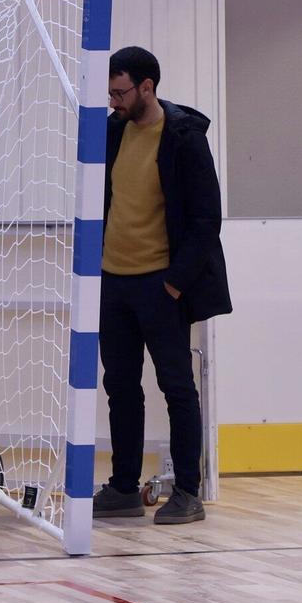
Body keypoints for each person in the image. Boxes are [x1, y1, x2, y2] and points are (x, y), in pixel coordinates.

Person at [94, 46, 231, 526]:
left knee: (176, 388)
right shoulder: (113, 132)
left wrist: (174, 285)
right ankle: (124, 487)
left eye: (120, 91)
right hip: (114, 282)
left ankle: (188, 492)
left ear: (147, 87)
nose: (113, 101)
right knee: (120, 388)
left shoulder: (184, 137)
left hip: (161, 285)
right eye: (109, 92)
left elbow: (205, 220)